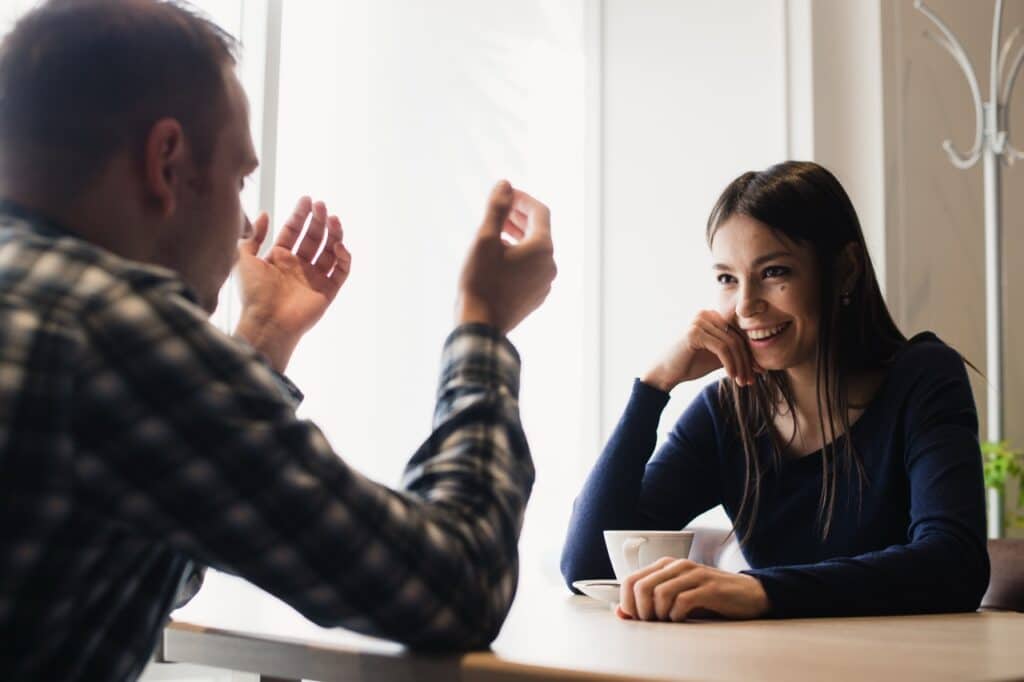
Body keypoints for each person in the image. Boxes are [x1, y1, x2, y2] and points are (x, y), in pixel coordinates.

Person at [0, 1, 556, 679]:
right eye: (239, 178)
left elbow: (120, 571)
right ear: (167, 162)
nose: (241, 219)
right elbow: (458, 584)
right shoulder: (106, 327)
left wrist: (259, 338)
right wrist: (484, 323)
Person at [560, 161, 989, 623]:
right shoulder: (728, 410)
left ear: (844, 272)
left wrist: (760, 592)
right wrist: (653, 386)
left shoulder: (923, 378)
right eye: (727, 278)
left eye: (774, 272)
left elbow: (954, 565)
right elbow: (589, 566)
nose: (745, 305)